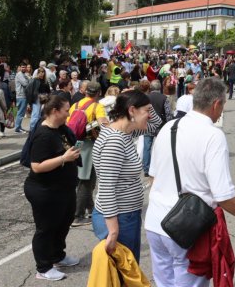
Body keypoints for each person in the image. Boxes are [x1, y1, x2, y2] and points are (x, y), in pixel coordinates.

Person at [144, 78, 235, 287]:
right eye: (222, 106)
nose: (221, 112)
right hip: (187, 228)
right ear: (216, 104)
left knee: (164, 283)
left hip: (155, 222)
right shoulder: (213, 135)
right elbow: (223, 194)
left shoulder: (169, 127)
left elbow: (153, 175)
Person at [91, 90, 162, 262]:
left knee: (127, 270)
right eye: (146, 110)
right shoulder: (115, 141)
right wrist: (113, 231)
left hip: (126, 215)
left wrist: (143, 98)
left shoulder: (126, 133)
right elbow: (107, 188)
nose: (149, 115)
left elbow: (156, 124)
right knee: (125, 271)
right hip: (120, 219)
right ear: (132, 110)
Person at [24, 95, 82, 281]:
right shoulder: (43, 135)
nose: (68, 114)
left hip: (63, 188)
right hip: (45, 190)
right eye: (66, 110)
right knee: (46, 228)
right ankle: (43, 268)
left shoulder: (60, 129)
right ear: (55, 111)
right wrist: (64, 158)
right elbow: (37, 166)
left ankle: (57, 255)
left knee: (63, 222)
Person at [69, 82, 109, 227]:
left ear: (86, 92)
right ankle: (77, 215)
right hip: (89, 145)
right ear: (98, 93)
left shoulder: (76, 105)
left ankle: (91, 209)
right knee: (87, 180)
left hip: (77, 143)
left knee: (82, 178)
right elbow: (104, 125)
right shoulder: (97, 106)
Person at [144, 80, 172, 177]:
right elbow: (168, 113)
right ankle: (160, 167)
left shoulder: (145, 98)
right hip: (160, 125)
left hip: (147, 125)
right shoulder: (164, 98)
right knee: (161, 146)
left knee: (147, 147)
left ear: (150, 88)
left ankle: (146, 169)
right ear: (160, 88)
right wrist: (169, 124)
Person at [14, 63, 31, 134]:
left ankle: (19, 127)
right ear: (20, 67)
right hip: (21, 96)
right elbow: (25, 84)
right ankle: (17, 128)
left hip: (23, 95)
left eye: (25, 67)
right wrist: (29, 79)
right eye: (22, 67)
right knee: (20, 112)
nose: (24, 68)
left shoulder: (23, 74)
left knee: (21, 112)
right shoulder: (19, 74)